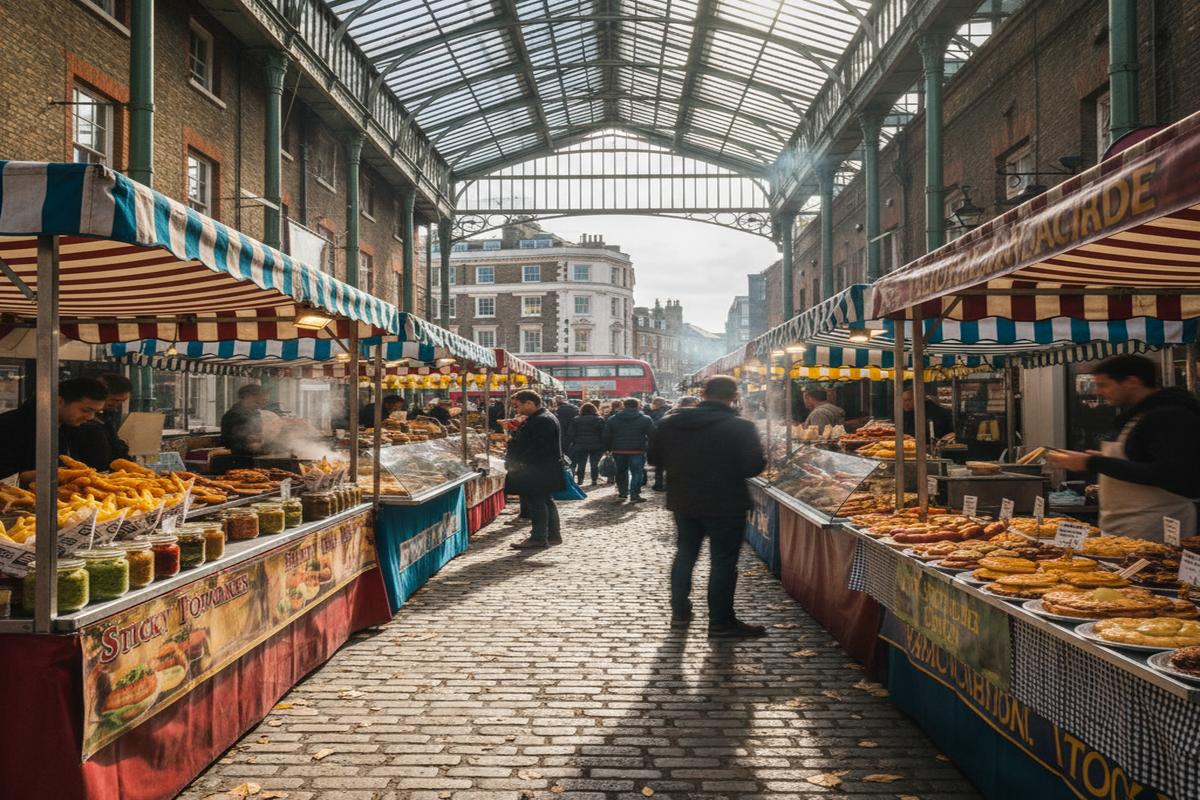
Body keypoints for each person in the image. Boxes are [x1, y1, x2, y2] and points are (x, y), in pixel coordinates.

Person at [649, 375, 767, 639]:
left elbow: (654, 458)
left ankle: (680, 612)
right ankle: (720, 621)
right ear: (734, 396)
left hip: (685, 500)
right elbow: (753, 467)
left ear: (703, 393)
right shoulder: (741, 426)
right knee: (723, 561)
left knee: (685, 555)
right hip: (727, 502)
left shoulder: (670, 423)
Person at [1046, 355, 1200, 538]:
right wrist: (1103, 460)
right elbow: (1142, 460)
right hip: (1124, 525)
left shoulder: (1169, 415)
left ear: (1131, 382)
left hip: (1153, 526)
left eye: (1104, 385)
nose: (1099, 392)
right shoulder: (1138, 415)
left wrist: (1093, 463)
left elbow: (1170, 474)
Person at [0, 377, 109, 483]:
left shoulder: (76, 428)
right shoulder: (9, 425)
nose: (90, 417)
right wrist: (51, 475)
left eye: (96, 412)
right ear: (59, 401)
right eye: (85, 410)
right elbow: (5, 475)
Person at [504, 390, 565, 549]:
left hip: (537, 469)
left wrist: (519, 457)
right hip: (543, 467)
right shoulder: (542, 417)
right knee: (545, 501)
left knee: (536, 502)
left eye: (518, 406)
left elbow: (537, 446)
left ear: (530, 403)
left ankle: (538, 538)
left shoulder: (541, 420)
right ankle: (552, 535)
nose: (517, 410)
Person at [70, 373, 133, 469]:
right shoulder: (74, 421)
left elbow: (116, 446)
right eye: (114, 400)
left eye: (122, 401)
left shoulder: (107, 417)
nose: (117, 405)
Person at [603, 397, 655, 503]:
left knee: (621, 472)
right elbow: (652, 435)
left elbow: (606, 435)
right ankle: (634, 495)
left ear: (623, 406)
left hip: (618, 450)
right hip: (638, 450)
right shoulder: (645, 419)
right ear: (637, 406)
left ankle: (623, 494)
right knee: (637, 473)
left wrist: (607, 448)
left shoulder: (613, 418)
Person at [220, 384, 269, 455]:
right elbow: (227, 440)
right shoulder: (233, 415)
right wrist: (247, 439)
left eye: (264, 401)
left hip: (255, 453)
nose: (262, 405)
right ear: (248, 397)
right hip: (237, 456)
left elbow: (258, 434)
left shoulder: (255, 413)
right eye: (258, 402)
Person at [566, 402, 606, 487]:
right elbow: (603, 434)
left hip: (580, 444)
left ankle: (580, 480)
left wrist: (573, 442)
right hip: (596, 444)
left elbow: (571, 433)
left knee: (581, 463)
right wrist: (604, 445)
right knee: (594, 463)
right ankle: (594, 480)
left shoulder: (576, 419)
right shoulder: (599, 419)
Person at [647, 397, 672, 491]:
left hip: (657, 442)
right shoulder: (669, 412)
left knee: (659, 465)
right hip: (669, 441)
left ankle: (658, 484)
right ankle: (667, 484)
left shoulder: (651, 414)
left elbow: (652, 429)